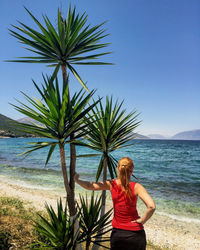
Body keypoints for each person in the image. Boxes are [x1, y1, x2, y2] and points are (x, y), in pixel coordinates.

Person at [74, 157, 156, 250]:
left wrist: (76, 179)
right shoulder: (137, 187)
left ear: (118, 168)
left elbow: (90, 186)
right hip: (135, 234)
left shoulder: (111, 184)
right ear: (132, 170)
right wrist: (142, 220)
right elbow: (151, 206)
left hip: (118, 235)